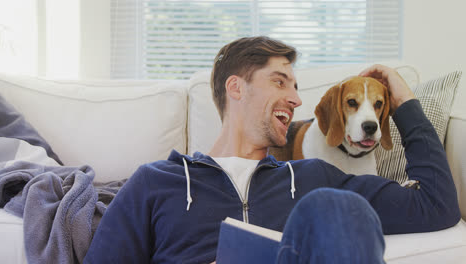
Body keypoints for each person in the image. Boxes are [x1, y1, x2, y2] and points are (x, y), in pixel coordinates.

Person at [84, 36, 461, 263]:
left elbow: (437, 207)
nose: (296, 99)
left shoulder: (314, 176)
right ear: (236, 89)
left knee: (340, 208)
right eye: (280, 82)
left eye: (295, 87)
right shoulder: (156, 182)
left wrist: (404, 102)